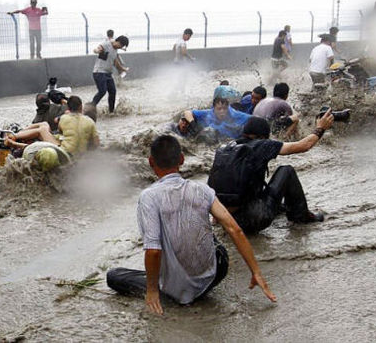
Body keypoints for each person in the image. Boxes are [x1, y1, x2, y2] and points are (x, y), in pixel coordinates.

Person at [106, 135, 276, 315]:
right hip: (214, 276)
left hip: (175, 289)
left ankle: (168, 292)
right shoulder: (201, 189)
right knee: (206, 231)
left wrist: (152, 291)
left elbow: (153, 250)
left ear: (150, 162)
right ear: (181, 159)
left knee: (114, 276)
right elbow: (234, 229)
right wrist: (255, 271)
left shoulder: (149, 197)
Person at [207, 112, 334, 234]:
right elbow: (303, 146)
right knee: (286, 170)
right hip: (254, 220)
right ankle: (301, 217)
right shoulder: (262, 145)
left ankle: (280, 208)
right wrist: (320, 128)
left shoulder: (227, 148)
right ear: (263, 137)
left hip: (225, 220)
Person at [5, 96, 99, 156]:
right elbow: (96, 145)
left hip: (64, 152)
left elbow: (61, 131)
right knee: (44, 125)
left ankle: (14, 137)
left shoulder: (64, 118)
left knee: (42, 129)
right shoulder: (90, 123)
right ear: (81, 107)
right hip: (78, 154)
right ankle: (16, 134)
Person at [92, 35, 129, 113]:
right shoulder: (106, 44)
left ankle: (111, 111)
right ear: (117, 41)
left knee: (113, 91)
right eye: (121, 45)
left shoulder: (115, 50)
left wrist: (122, 69)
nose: (120, 47)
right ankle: (90, 107)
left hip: (108, 74)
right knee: (102, 91)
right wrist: (97, 50)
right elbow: (98, 48)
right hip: (99, 72)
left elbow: (115, 62)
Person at [183, 97, 251, 139]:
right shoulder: (208, 113)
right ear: (214, 108)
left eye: (224, 109)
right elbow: (187, 112)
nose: (222, 111)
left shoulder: (235, 115)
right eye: (219, 109)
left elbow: (253, 119)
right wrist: (193, 124)